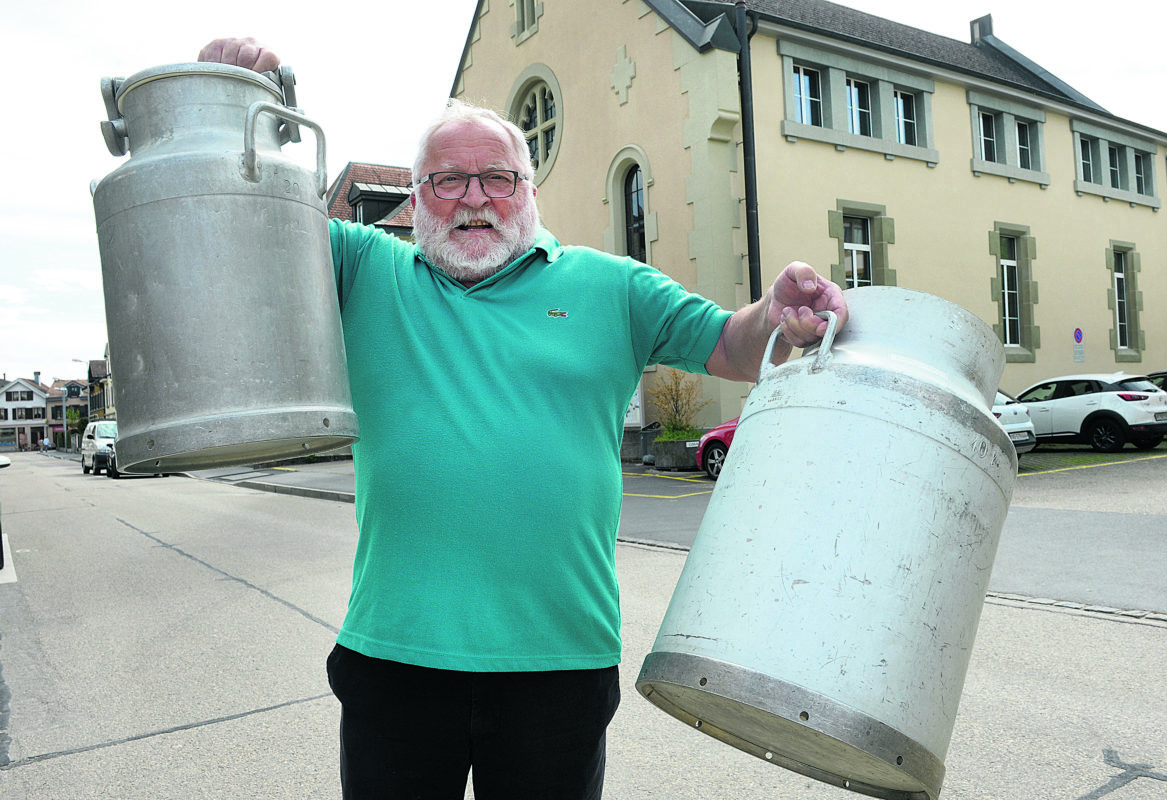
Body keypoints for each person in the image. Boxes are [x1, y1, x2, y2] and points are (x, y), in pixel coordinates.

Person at [200, 37, 848, 800]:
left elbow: (731, 348)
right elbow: (243, 215)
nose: (474, 197)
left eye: (498, 177)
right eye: (447, 180)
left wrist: (774, 313)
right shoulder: (364, 268)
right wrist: (231, 102)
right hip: (396, 659)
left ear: (530, 189)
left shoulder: (613, 287)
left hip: (558, 663)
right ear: (413, 198)